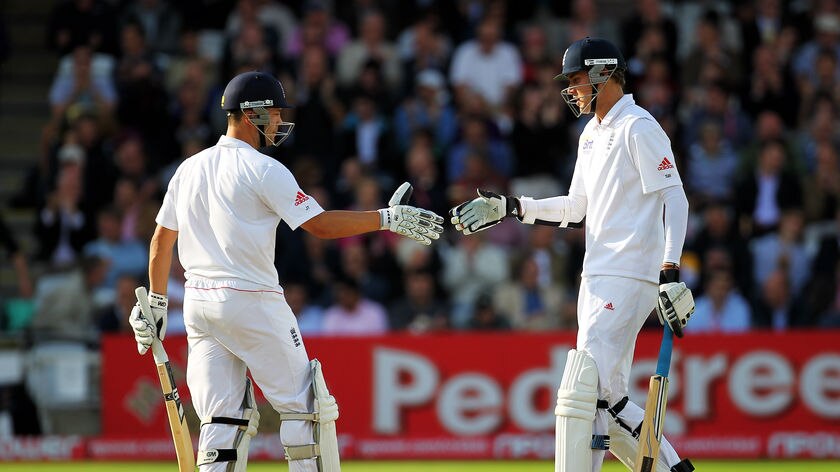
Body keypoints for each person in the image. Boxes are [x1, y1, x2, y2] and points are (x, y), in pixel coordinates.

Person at [128, 71, 443, 472]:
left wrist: (156, 302)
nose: (278, 122)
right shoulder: (263, 169)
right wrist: (386, 218)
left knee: (222, 421)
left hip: (199, 304)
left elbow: (160, 242)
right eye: (273, 113)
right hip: (252, 299)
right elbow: (320, 225)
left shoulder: (189, 168)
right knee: (307, 409)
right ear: (250, 114)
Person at [450, 38, 695, 472]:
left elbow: (675, 199)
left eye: (578, 80)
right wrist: (513, 206)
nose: (572, 90)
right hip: (597, 274)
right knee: (609, 398)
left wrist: (670, 270)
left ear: (603, 75)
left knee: (586, 392)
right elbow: (575, 208)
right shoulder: (590, 134)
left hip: (629, 273)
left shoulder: (638, 127)